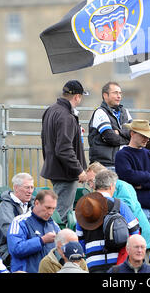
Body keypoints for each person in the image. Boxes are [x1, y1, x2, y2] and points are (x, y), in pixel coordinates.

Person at [40, 80, 88, 223]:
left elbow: (51, 137)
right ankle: (54, 244)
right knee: (60, 217)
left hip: (55, 169)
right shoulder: (66, 115)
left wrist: (75, 131)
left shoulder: (51, 110)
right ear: (77, 96)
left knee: (55, 212)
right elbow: (63, 149)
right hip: (65, 173)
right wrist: (79, 170)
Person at [75, 169, 140, 273]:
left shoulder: (83, 207)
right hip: (118, 263)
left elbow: (79, 238)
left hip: (93, 263)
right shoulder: (119, 205)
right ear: (111, 186)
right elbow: (135, 232)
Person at [86, 162, 150, 251]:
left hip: (141, 238)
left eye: (92, 181)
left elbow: (129, 207)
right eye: (88, 183)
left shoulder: (121, 186)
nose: (91, 186)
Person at [115, 119, 150, 222]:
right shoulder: (122, 155)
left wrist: (142, 185)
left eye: (147, 136)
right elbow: (128, 176)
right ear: (132, 134)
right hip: (135, 209)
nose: (147, 139)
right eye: (143, 135)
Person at [7, 189, 60, 273]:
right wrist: (42, 240)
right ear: (36, 203)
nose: (50, 212)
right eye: (48, 208)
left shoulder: (54, 225)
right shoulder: (19, 222)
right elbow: (15, 249)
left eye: (53, 208)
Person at [88, 81, 132, 169]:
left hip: (124, 163)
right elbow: (110, 137)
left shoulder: (125, 112)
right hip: (105, 166)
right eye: (115, 93)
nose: (119, 96)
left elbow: (134, 133)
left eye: (120, 93)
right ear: (105, 95)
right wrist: (128, 139)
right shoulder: (100, 112)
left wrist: (118, 132)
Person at [0, 172, 34, 267]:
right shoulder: (5, 206)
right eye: (27, 187)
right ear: (16, 188)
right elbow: (9, 232)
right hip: (7, 248)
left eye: (32, 187)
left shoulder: (34, 204)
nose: (30, 191)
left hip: (32, 244)